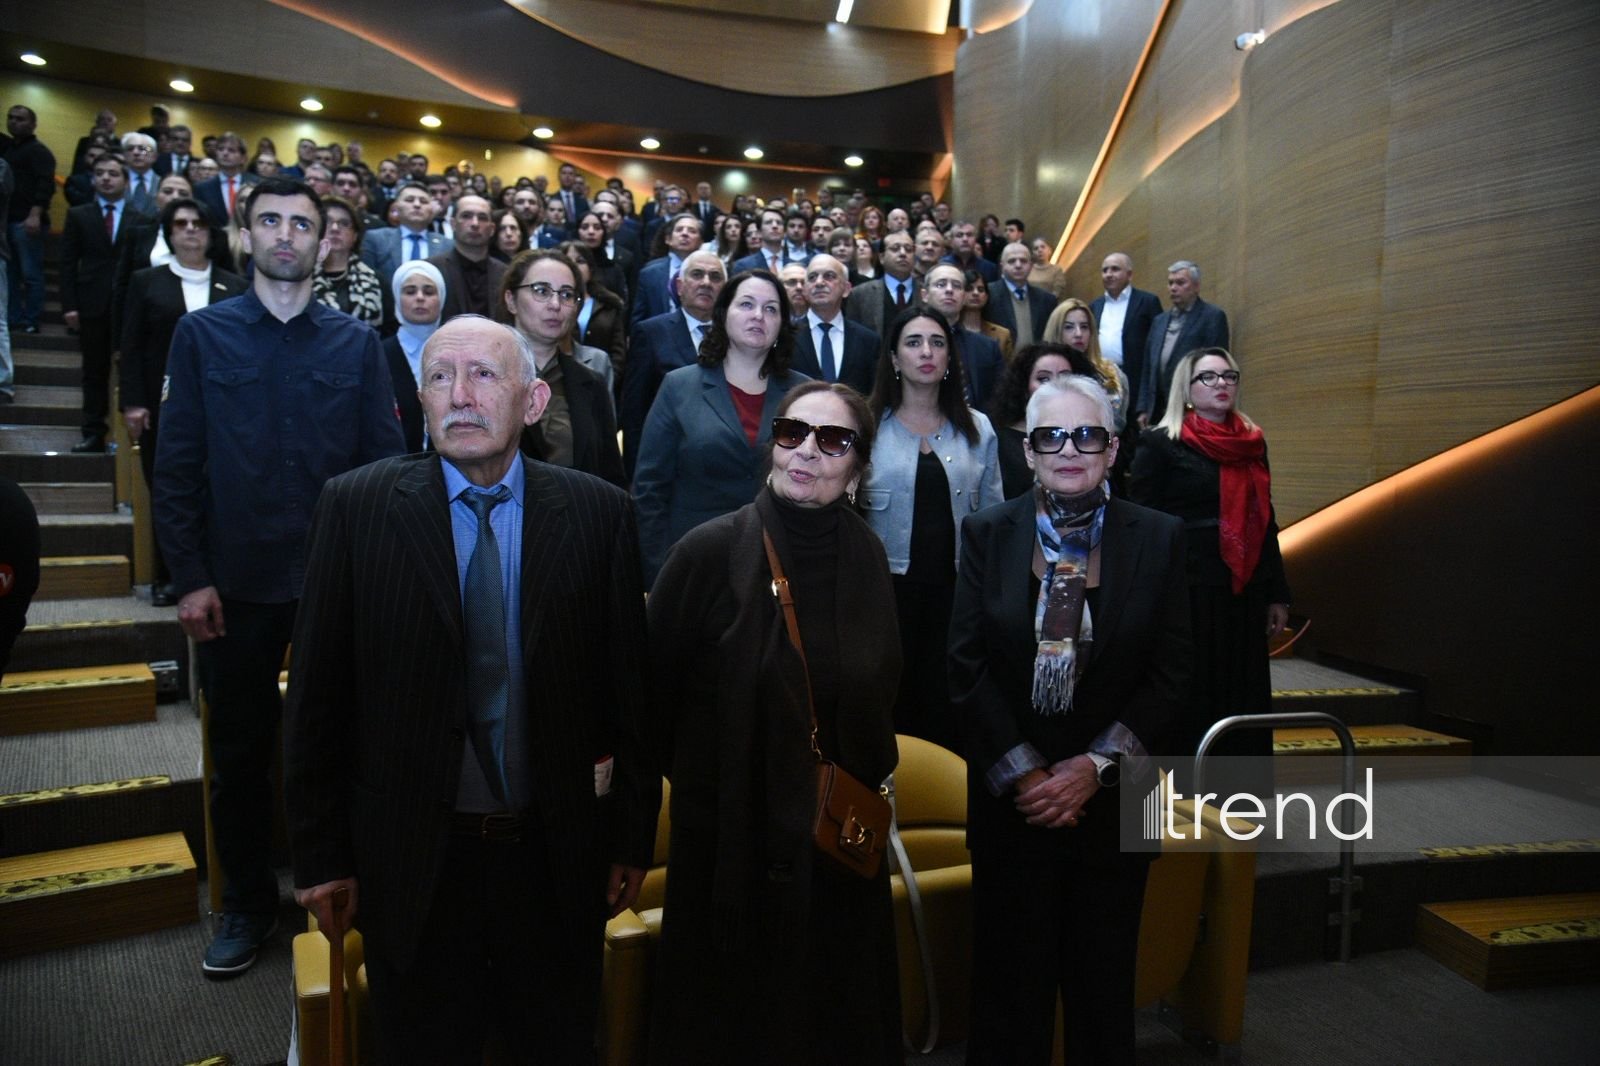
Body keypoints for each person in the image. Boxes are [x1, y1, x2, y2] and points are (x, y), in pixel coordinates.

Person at [284, 315, 656, 1063]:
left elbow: (630, 697)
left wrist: (629, 838)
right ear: (419, 401)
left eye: (484, 375)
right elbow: (316, 698)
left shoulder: (598, 512)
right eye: (440, 378)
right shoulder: (356, 507)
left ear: (532, 401)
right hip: (412, 862)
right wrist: (320, 856)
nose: (460, 395)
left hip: (554, 858)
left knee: (553, 1044)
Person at [153, 177, 406, 978]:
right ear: (246, 234)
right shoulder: (201, 335)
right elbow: (176, 466)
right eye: (271, 220)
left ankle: (353, 883)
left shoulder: (357, 344)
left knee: (354, 744)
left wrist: (380, 577)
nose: (287, 235)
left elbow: (384, 470)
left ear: (326, 241)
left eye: (302, 223)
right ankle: (245, 904)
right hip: (235, 583)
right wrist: (189, 576)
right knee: (239, 756)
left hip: (337, 582)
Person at [646, 380, 902, 1064]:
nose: (808, 451)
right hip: (731, 852)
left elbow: (882, 693)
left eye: (833, 440)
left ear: (858, 467)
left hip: (834, 843)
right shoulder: (708, 552)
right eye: (793, 432)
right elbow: (650, 699)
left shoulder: (868, 555)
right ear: (773, 445)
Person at [950, 375, 1191, 1065]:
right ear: (1028, 451)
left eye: (1087, 435)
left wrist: (1093, 767)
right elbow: (964, 667)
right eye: (1050, 436)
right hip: (1013, 799)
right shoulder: (987, 532)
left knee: (1104, 995)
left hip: (1121, 796)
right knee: (1008, 996)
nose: (1068, 450)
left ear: (1112, 449)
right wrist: (1027, 774)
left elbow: (1175, 674)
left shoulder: (1162, 536)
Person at [1128, 347, 1290, 790]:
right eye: (1209, 377)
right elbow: (1142, 520)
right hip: (1189, 589)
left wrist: (1278, 592)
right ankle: (1185, 792)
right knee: (1191, 690)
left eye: (1229, 376)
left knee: (1243, 691)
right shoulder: (1161, 442)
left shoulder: (1252, 442)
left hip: (1244, 589)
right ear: (1187, 387)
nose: (1221, 384)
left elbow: (1265, 518)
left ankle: (1240, 795)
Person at [861, 306, 1001, 748]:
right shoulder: (865, 424)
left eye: (937, 343)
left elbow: (995, 519)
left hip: (958, 596)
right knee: (888, 707)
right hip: (884, 595)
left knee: (948, 708)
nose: (927, 352)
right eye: (914, 342)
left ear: (950, 359)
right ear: (894, 358)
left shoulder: (978, 428)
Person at [633, 269, 810, 583]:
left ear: (783, 324)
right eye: (746, 304)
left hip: (782, 561)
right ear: (723, 313)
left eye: (771, 309)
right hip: (693, 561)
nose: (759, 316)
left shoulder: (804, 394)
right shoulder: (679, 386)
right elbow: (650, 489)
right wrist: (658, 573)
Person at [120, 197, 248, 605]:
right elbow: (131, 346)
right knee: (170, 490)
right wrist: (133, 402)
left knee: (221, 490)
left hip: (226, 410)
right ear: (169, 232)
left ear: (211, 233)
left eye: (198, 223)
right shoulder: (146, 281)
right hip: (163, 406)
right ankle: (171, 575)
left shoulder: (235, 285)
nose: (190, 230)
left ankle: (219, 571)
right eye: (181, 223)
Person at [499, 250, 623, 485]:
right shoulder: (480, 375)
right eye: (541, 291)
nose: (555, 304)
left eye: (567, 295)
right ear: (511, 300)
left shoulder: (591, 382)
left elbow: (610, 474)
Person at [619, 249, 727, 478]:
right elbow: (634, 412)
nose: (706, 282)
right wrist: (636, 475)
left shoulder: (736, 336)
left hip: (723, 466)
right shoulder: (651, 333)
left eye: (715, 277)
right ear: (679, 286)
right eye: (697, 274)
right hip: (667, 465)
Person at [60, 154, 132, 453]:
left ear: (125, 180)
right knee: (94, 371)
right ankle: (93, 432)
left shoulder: (140, 217)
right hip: (91, 304)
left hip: (129, 306)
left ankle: (130, 435)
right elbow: (67, 263)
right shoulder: (79, 214)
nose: (105, 178)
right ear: (92, 179)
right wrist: (69, 305)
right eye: (100, 173)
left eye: (113, 173)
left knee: (130, 370)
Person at [989, 343, 1097, 500]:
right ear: (1024, 386)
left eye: (1065, 377)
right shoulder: (997, 439)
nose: (1054, 385)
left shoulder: (1093, 433)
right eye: (1043, 379)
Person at [1136, 260, 1230, 423]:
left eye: (1180, 283)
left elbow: (1217, 367)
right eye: (1170, 283)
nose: (1173, 288)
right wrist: (1143, 407)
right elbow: (1148, 368)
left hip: (1191, 408)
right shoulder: (1159, 321)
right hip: (1157, 409)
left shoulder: (1212, 317)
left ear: (1196, 286)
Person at [789, 253, 879, 396]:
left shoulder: (869, 341)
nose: (819, 282)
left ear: (846, 289)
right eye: (812, 277)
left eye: (829, 276)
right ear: (805, 290)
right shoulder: (786, 336)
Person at [381, 259, 445, 452]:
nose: (419, 297)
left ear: (442, 298)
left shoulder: (458, 351)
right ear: (397, 298)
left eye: (429, 292)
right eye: (410, 292)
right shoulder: (379, 352)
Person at [1041, 298, 1130, 434]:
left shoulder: (1111, 372)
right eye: (1069, 327)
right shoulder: (1045, 373)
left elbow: (1121, 420)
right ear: (1056, 331)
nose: (1078, 334)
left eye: (1084, 327)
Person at [312, 196, 389, 333]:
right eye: (327, 222)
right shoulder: (300, 278)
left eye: (344, 223)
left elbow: (389, 331)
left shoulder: (376, 280)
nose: (335, 228)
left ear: (355, 236)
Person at [559, 240, 627, 390]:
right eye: (567, 261)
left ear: (590, 269)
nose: (574, 266)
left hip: (601, 379)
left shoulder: (609, 304)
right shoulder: (552, 304)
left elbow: (618, 353)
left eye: (580, 261)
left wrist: (605, 380)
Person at [959, 271, 1014, 365]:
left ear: (987, 296)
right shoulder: (950, 330)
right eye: (969, 289)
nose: (976, 293)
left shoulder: (1003, 335)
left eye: (980, 290)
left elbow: (1007, 371)